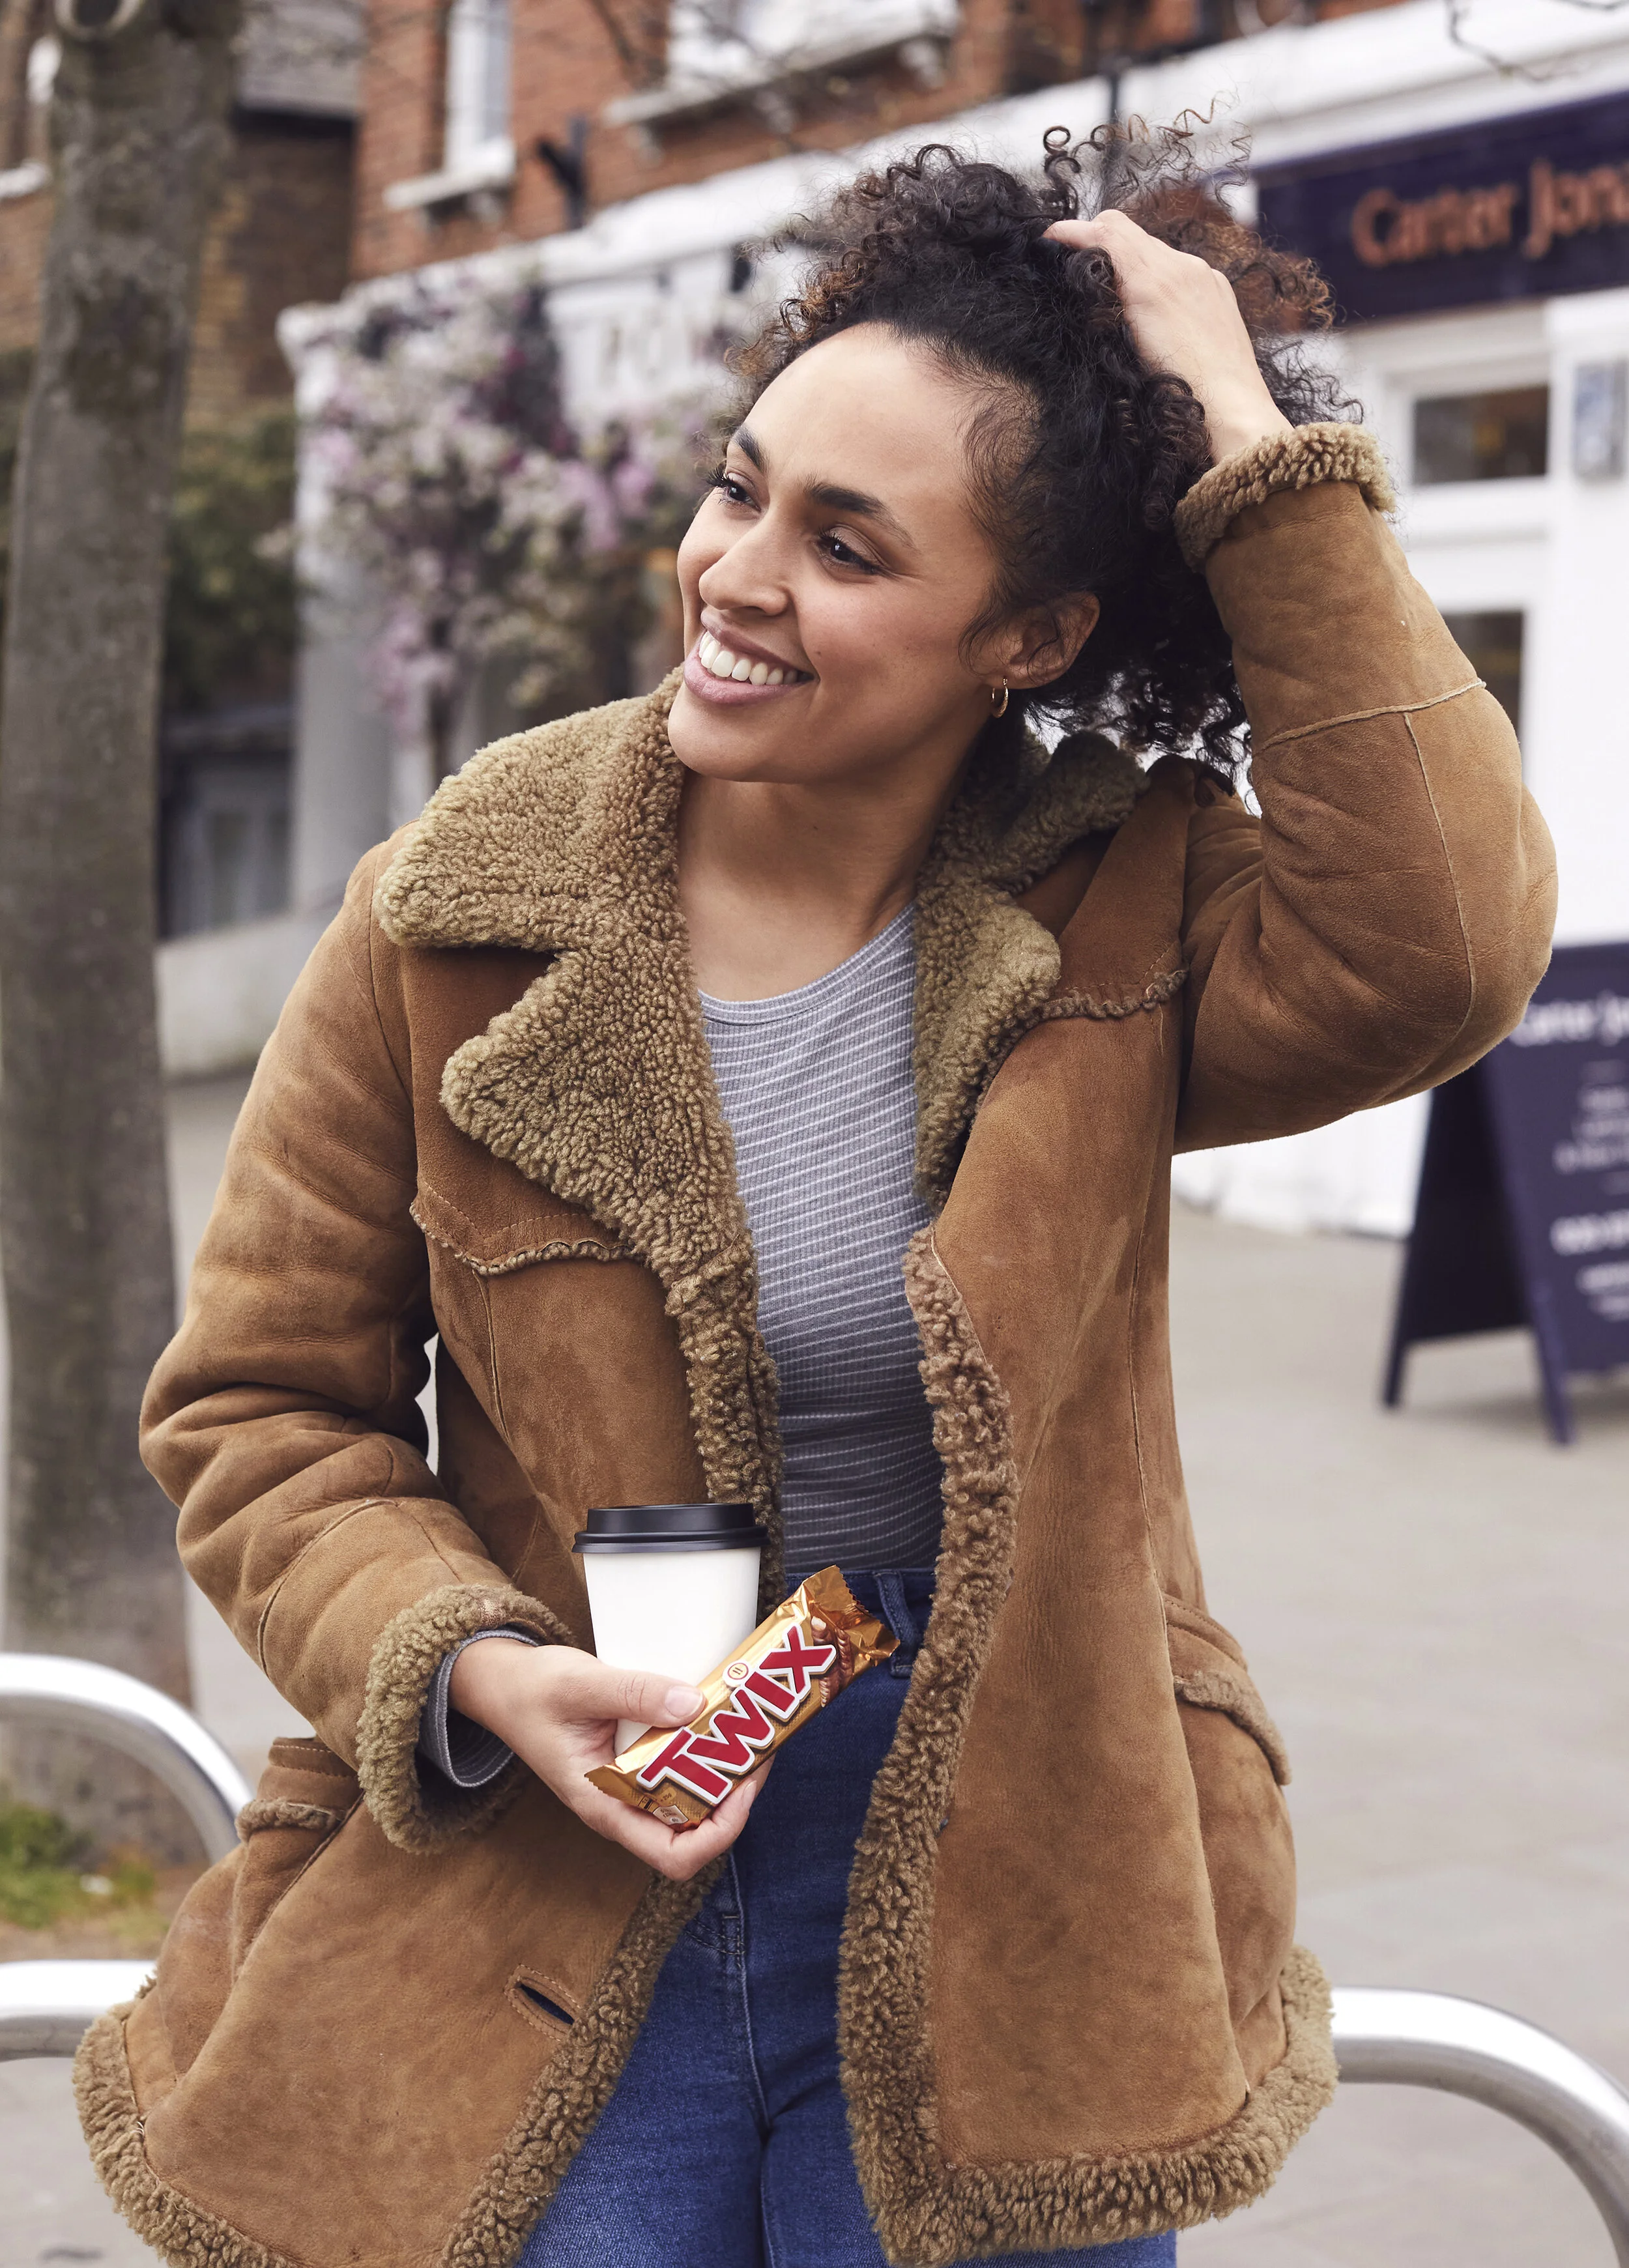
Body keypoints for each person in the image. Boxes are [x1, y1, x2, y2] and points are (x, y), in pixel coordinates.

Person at [77, 135, 1555, 2268]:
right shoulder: (452, 914)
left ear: (1026, 632)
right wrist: (474, 1662)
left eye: (847, 544)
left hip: (1017, 1889)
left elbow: (1439, 936)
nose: (736, 571)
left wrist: (1249, 441)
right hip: (565, 1870)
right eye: (737, 484)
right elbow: (253, 1412)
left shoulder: (1115, 906)